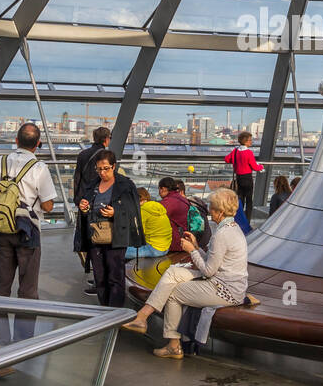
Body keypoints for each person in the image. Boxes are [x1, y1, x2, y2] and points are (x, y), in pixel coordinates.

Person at [120, 187, 247, 357]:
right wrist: (195, 246)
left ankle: (173, 344)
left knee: (173, 292)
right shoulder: (232, 229)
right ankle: (142, 317)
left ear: (220, 211)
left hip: (223, 289)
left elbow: (208, 271)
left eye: (212, 207)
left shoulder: (222, 235)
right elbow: (212, 262)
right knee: (173, 272)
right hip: (226, 282)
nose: (209, 210)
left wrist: (191, 251)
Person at [0, 123, 57, 354]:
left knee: (2, 286)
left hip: (2, 231)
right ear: (38, 145)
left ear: (15, 141)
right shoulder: (39, 167)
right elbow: (47, 204)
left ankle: (0, 341)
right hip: (28, 232)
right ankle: (23, 342)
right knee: (28, 289)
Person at [76, 149, 141, 308]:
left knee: (115, 274)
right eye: (99, 169)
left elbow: (134, 210)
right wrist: (84, 208)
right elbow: (85, 207)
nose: (102, 172)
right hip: (95, 235)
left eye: (106, 168)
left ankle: (115, 311)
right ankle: (105, 308)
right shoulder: (92, 185)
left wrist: (116, 212)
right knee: (99, 275)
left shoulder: (125, 184)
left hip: (116, 236)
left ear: (114, 166)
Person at [73, 127, 111, 292]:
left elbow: (77, 178)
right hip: (99, 202)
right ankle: (101, 282)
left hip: (84, 202)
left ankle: (95, 275)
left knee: (88, 239)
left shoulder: (83, 155)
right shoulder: (106, 157)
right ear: (106, 140)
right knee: (100, 240)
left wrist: (78, 200)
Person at [224, 131, 264, 224]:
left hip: (239, 178)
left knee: (240, 200)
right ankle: (247, 220)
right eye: (250, 140)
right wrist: (261, 167)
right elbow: (254, 166)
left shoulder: (235, 151)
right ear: (245, 141)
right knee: (249, 200)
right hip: (247, 178)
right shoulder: (249, 152)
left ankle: (239, 219)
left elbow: (227, 159)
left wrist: (235, 161)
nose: (251, 142)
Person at [125, 187, 171, 261]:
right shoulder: (156, 206)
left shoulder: (143, 210)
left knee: (119, 252)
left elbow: (137, 233)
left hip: (154, 249)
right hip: (165, 248)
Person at [158, 177, 190, 252]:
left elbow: (156, 216)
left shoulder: (169, 202)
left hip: (174, 243)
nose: (159, 192)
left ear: (163, 189)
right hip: (184, 239)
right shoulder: (182, 199)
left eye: (159, 189)